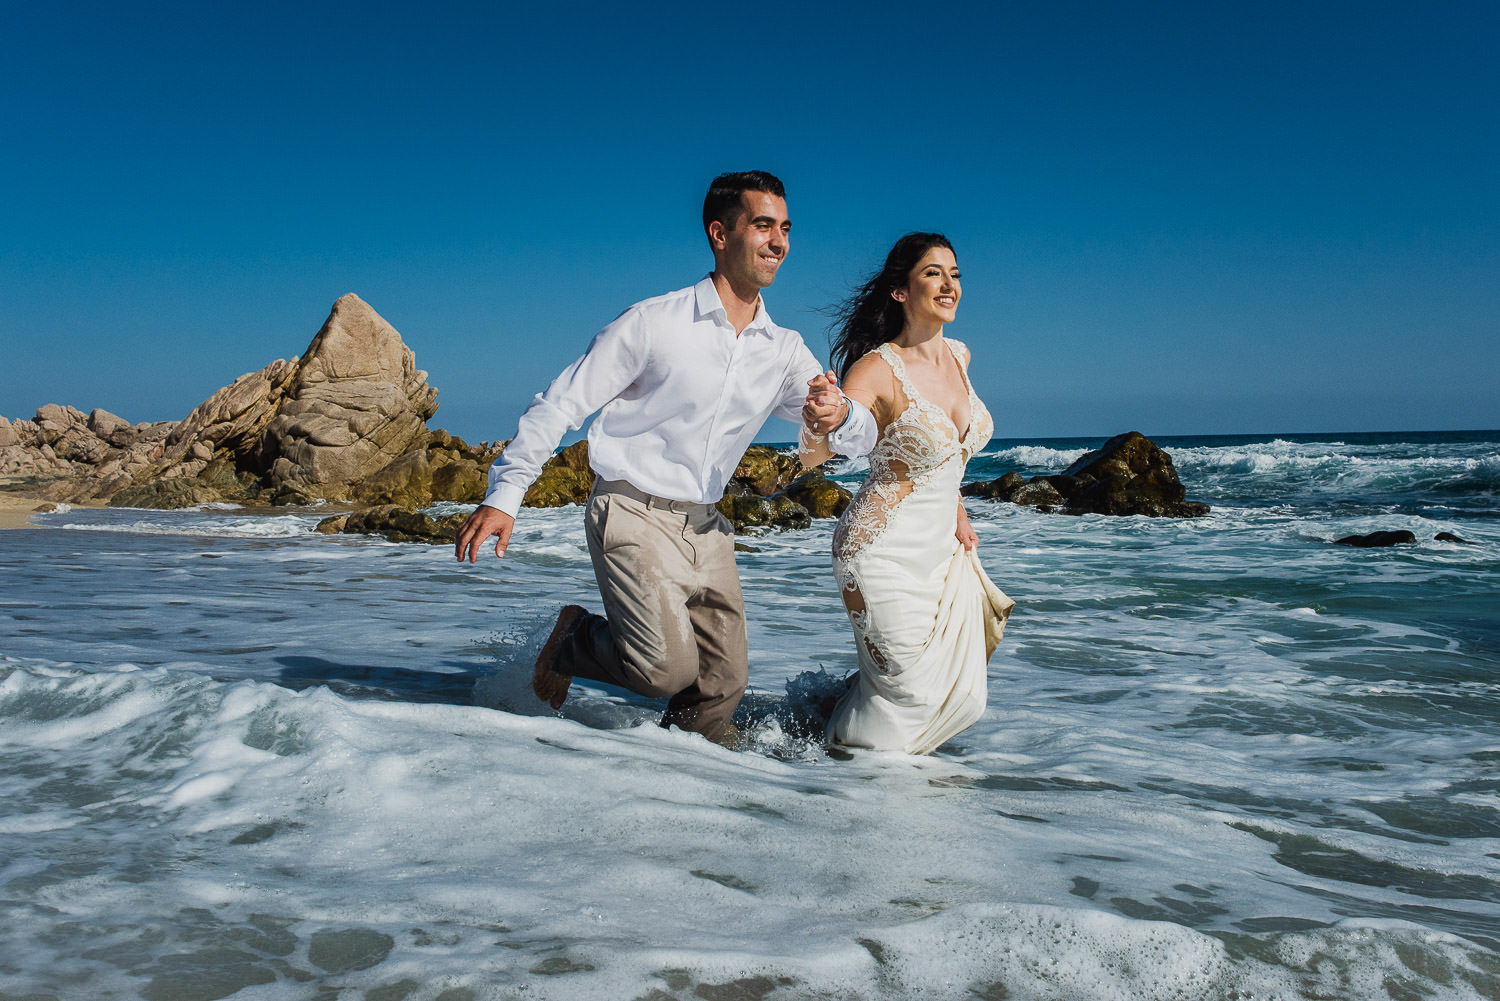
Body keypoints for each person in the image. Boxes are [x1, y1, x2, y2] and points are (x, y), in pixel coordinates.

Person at [454, 171, 875, 744]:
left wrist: (839, 414)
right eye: (762, 226)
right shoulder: (654, 323)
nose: (779, 242)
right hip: (630, 509)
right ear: (719, 234)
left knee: (721, 687)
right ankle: (575, 639)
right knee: (663, 670)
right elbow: (560, 404)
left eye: (785, 228)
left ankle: (677, 788)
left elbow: (856, 434)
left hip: (706, 524)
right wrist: (505, 496)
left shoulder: (784, 351)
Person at [799, 232, 1014, 754]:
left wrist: (959, 511)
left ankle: (820, 721)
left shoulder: (960, 356)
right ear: (900, 290)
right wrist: (821, 416)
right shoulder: (876, 368)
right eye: (933, 273)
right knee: (910, 692)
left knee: (964, 695)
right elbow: (819, 450)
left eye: (955, 274)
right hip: (879, 552)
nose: (949, 284)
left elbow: (947, 454)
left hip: (941, 550)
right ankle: (833, 765)